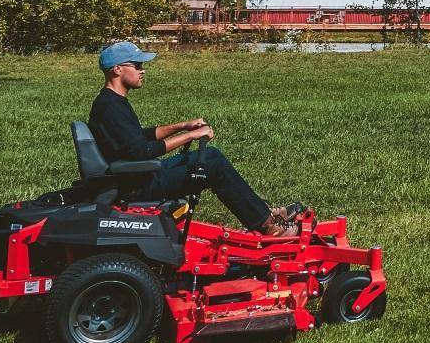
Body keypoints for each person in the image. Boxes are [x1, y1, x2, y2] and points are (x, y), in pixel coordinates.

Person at [88, 41, 301, 236]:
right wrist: (191, 135)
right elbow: (141, 151)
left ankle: (263, 213)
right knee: (213, 167)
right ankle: (267, 225)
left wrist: (184, 125)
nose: (142, 70)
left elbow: (140, 136)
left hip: (140, 175)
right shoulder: (110, 107)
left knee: (211, 155)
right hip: (138, 185)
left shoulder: (112, 101)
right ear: (117, 70)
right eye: (136, 65)